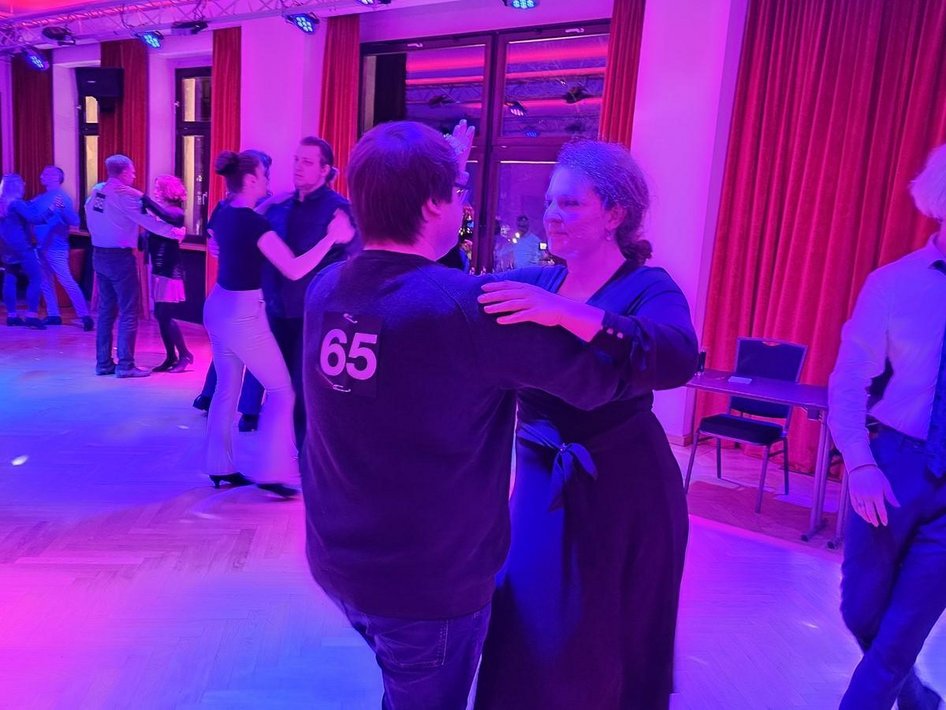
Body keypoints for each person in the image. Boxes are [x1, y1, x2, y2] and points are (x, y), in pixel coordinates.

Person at [299, 121, 651, 710]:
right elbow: (596, 384)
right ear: (433, 204)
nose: (463, 203)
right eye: (456, 192)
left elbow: (415, 291)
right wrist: (588, 316)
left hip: (337, 560)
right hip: (427, 584)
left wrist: (432, 176)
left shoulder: (326, 287)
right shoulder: (469, 311)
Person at [473, 141, 698, 710]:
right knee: (527, 620)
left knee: (612, 632)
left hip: (626, 487)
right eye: (551, 201)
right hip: (541, 478)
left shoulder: (649, 286)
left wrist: (570, 314)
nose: (552, 214)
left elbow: (676, 356)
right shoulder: (537, 280)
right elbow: (454, 303)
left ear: (615, 214)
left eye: (570, 203)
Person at [828, 142, 946, 710]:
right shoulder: (894, 284)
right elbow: (850, 380)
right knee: (861, 610)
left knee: (902, 634)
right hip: (895, 464)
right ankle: (919, 699)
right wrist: (861, 463)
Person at [203, 149, 353, 499]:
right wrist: (332, 237)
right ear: (251, 180)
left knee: (226, 388)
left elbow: (220, 237)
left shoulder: (224, 211)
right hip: (242, 315)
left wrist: (272, 202)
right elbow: (295, 269)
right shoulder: (256, 224)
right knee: (282, 391)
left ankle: (219, 465)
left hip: (217, 307)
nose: (269, 182)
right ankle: (273, 471)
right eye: (264, 176)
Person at [258, 136, 358, 444]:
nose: (298, 167)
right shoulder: (281, 206)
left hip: (315, 316)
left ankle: (305, 455)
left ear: (325, 170)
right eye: (297, 160)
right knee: (280, 387)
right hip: (278, 311)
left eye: (307, 162)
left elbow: (356, 258)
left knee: (306, 390)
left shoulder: (339, 210)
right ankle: (283, 451)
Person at [85, 154, 184, 378]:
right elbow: (150, 223)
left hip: (98, 255)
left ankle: (103, 363)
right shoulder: (126, 196)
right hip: (119, 258)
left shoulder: (98, 191)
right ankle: (126, 365)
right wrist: (177, 233)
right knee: (129, 311)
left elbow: (94, 213)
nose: (135, 175)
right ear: (123, 173)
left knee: (106, 311)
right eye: (132, 172)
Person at [193, 150, 271, 428]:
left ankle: (214, 398)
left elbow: (213, 237)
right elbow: (214, 239)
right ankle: (245, 409)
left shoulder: (229, 206)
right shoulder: (252, 207)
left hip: (235, 287)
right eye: (264, 172)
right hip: (249, 288)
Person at [143, 175, 192, 373]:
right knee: (161, 315)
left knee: (164, 315)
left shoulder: (176, 212)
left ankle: (184, 355)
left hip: (170, 271)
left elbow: (168, 216)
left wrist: (144, 200)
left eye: (158, 188)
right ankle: (172, 356)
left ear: (168, 190)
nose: (155, 191)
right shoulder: (163, 214)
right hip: (160, 270)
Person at [32, 165, 91, 330]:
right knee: (45, 281)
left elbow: (74, 221)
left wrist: (63, 210)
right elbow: (32, 217)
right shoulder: (39, 198)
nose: (42, 175)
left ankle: (84, 316)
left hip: (56, 248)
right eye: (43, 172)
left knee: (66, 280)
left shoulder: (62, 197)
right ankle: (53, 314)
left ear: (57, 178)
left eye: (47, 173)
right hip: (40, 247)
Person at [0, 173, 55, 329]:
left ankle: (12, 316)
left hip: (5, 246)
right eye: (22, 183)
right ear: (16, 187)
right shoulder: (17, 204)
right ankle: (32, 315)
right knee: (36, 277)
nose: (24, 184)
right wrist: (51, 209)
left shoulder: (4, 203)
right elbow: (35, 219)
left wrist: (31, 202)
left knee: (10, 277)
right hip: (21, 245)